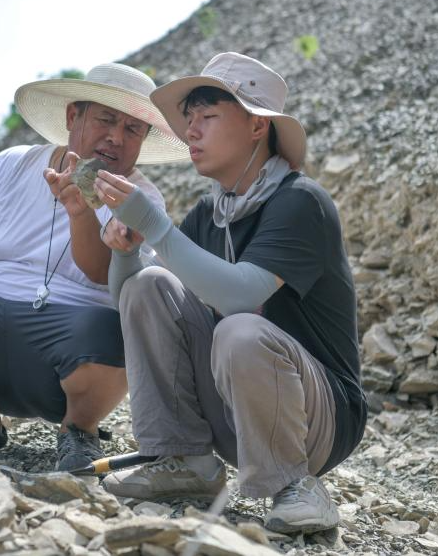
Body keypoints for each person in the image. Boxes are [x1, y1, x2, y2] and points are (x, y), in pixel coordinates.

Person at [92, 52, 366, 534]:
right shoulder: (211, 212)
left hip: (320, 420)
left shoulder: (300, 201)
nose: (191, 131)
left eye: (208, 117)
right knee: (150, 283)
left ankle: (298, 486)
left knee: (239, 329)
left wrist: (155, 225)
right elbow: (129, 300)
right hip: (238, 412)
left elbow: (243, 297)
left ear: (258, 127)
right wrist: (125, 253)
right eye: (189, 119)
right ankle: (184, 460)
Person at [0, 63, 188, 471]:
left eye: (133, 130)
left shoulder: (140, 199)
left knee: (121, 331)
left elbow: (99, 273)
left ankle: (79, 431)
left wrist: (80, 211)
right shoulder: (15, 164)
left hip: (71, 352)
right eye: (106, 120)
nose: (116, 137)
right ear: (73, 116)